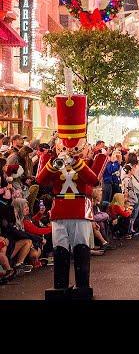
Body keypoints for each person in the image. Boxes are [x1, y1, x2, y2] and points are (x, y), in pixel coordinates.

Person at [35, 86, 107, 300]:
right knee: (60, 249)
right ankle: (60, 286)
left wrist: (77, 163)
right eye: (66, 147)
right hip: (59, 209)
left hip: (80, 209)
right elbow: (40, 180)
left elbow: (93, 181)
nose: (71, 150)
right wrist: (54, 165)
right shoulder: (50, 159)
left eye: (76, 147)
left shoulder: (89, 161)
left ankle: (82, 286)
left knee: (81, 247)